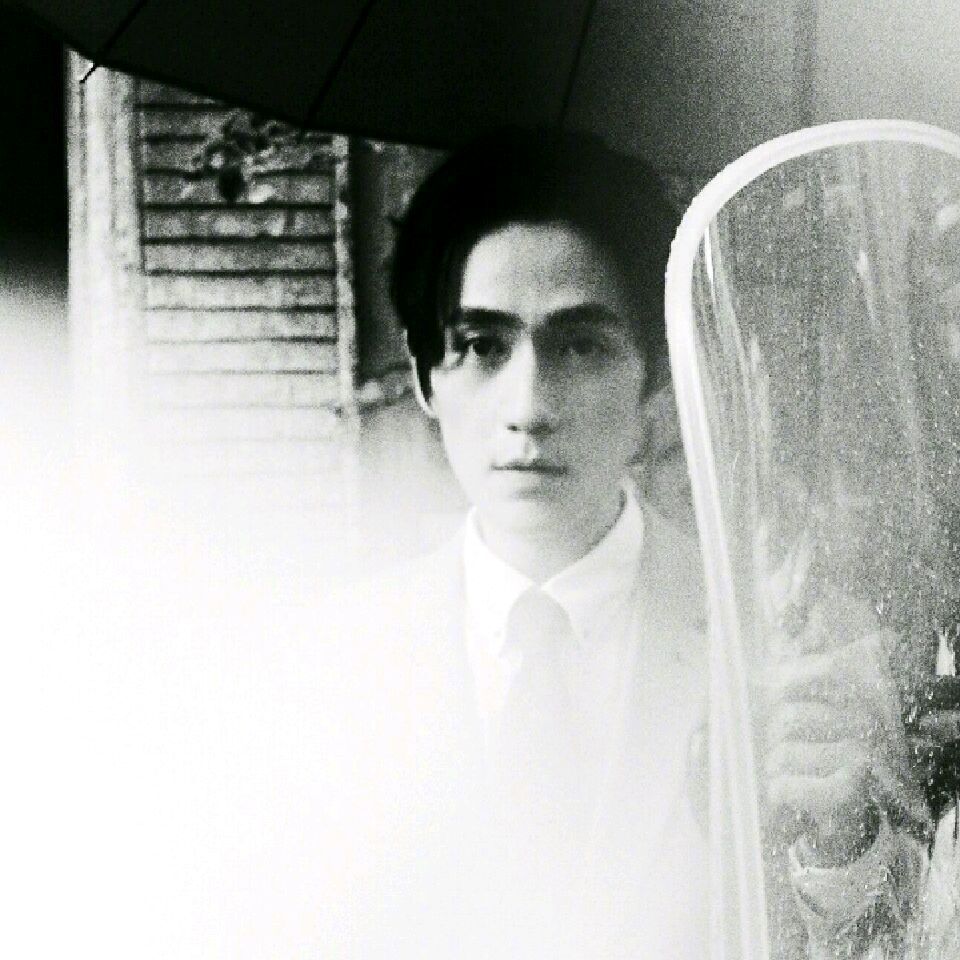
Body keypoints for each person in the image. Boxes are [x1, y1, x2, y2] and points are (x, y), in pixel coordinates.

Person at [324, 128, 927, 959]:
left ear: (656, 374)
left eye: (581, 346)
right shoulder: (328, 662)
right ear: (426, 376)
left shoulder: (774, 641)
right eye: (481, 347)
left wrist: (840, 845)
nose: (529, 408)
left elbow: (876, 940)